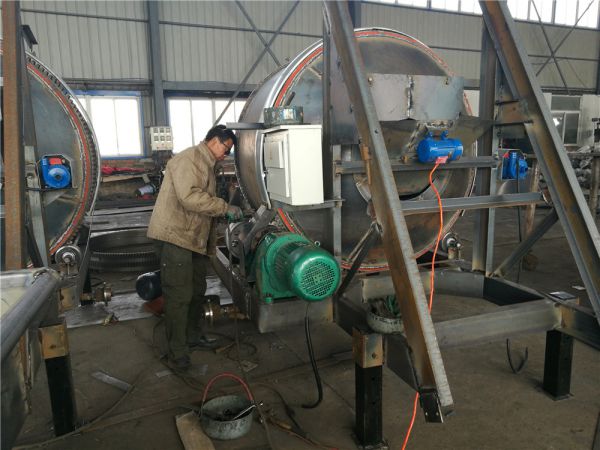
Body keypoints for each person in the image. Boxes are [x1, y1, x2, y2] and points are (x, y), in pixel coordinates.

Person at [147, 125, 243, 371]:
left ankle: (192, 336)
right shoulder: (189, 159)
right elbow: (189, 198)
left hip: (193, 237)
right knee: (179, 295)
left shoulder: (208, 163)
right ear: (214, 141)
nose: (225, 154)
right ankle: (177, 351)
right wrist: (224, 208)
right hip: (175, 236)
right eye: (226, 148)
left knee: (197, 289)